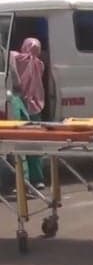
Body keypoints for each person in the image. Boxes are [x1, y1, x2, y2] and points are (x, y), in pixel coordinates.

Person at [9, 38, 46, 190]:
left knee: (22, 143)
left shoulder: (15, 56)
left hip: (21, 104)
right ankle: (36, 180)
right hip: (36, 106)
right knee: (33, 143)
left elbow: (10, 62)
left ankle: (25, 181)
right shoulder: (40, 64)